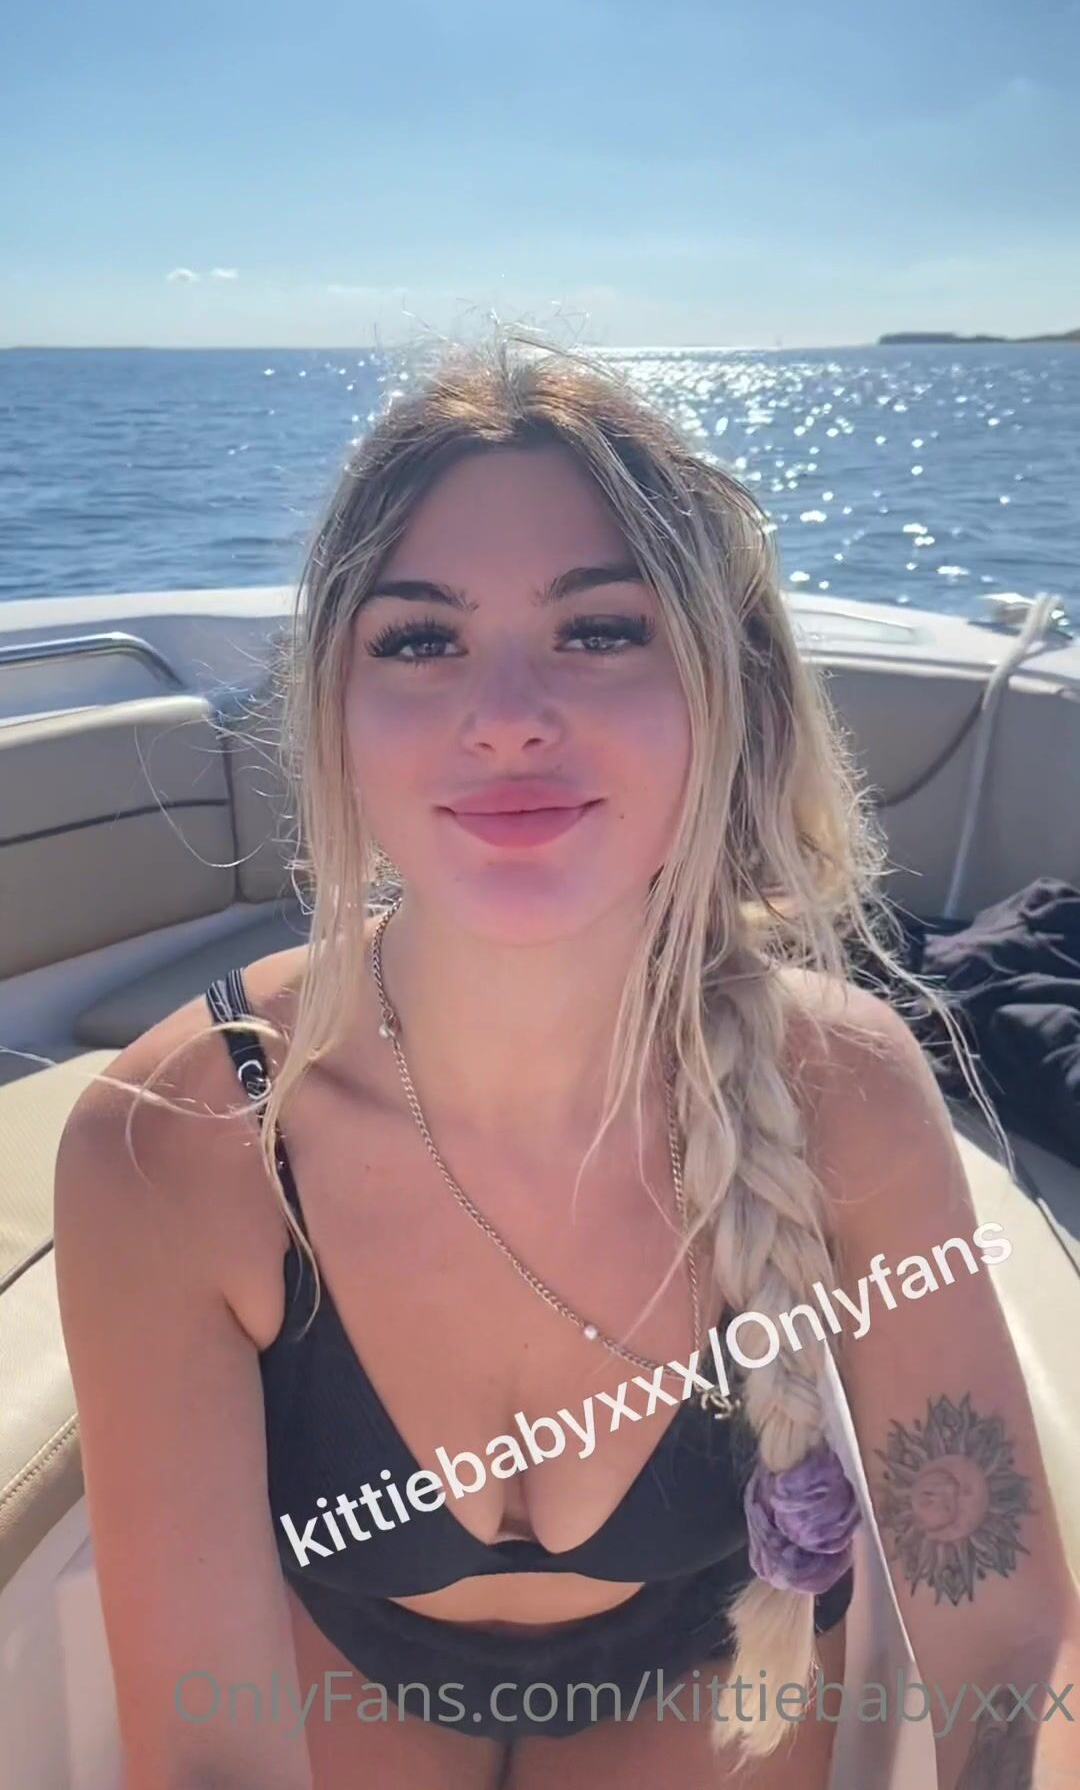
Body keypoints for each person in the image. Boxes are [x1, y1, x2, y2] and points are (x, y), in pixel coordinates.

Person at [54, 334, 1080, 1790]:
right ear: (333, 715)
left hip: (717, 1663)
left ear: (724, 691)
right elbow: (211, 1747)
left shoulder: (844, 1094)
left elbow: (1003, 1638)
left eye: (600, 629)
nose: (507, 716)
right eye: (419, 640)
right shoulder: (175, 1143)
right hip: (354, 1662)